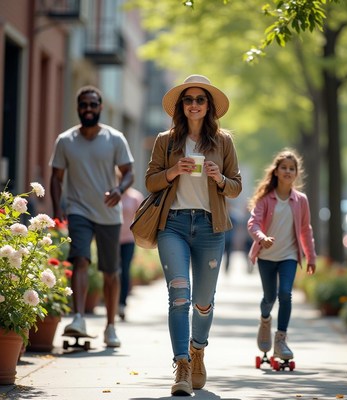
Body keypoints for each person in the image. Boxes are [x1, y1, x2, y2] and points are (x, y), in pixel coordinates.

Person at [145, 74, 242, 396]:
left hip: (210, 228)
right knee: (179, 298)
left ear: (209, 106)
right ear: (181, 106)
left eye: (201, 100)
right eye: (189, 99)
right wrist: (173, 171)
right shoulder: (166, 140)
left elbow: (236, 186)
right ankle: (182, 365)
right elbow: (150, 181)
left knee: (203, 303)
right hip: (172, 224)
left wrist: (219, 179)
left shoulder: (223, 141)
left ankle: (198, 349)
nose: (195, 105)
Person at [49, 85, 134, 348]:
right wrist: (57, 209)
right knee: (80, 260)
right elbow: (56, 177)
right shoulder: (65, 140)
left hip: (109, 213)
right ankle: (78, 318)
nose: (88, 109)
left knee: (111, 272)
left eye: (93, 104)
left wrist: (120, 189)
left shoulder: (115, 138)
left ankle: (110, 327)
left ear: (100, 108)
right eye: (83, 104)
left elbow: (129, 170)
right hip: (78, 210)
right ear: (78, 108)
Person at [247, 148, 316, 362]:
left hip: (288, 256)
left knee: (285, 294)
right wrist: (262, 237)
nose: (287, 171)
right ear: (276, 171)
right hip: (267, 257)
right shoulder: (265, 199)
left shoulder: (301, 200)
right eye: (284, 168)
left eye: (291, 168)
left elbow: (305, 230)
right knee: (269, 298)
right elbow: (253, 223)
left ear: (296, 173)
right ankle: (265, 320)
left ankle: (281, 340)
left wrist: (311, 256)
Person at [118, 186, 144, 320]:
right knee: (112, 271)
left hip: (128, 239)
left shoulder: (135, 197)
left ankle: (122, 303)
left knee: (125, 271)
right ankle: (112, 301)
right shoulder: (113, 194)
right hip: (113, 239)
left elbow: (143, 217)